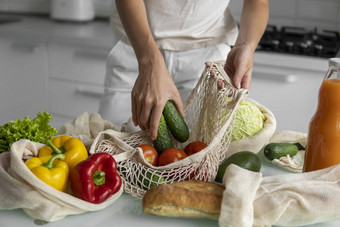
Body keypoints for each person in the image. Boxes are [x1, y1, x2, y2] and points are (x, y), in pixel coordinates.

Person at [99, 0, 269, 141]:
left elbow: (258, 2)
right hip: (136, 52)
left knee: (203, 160)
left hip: (208, 60)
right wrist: (148, 62)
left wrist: (245, 44)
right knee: (112, 144)